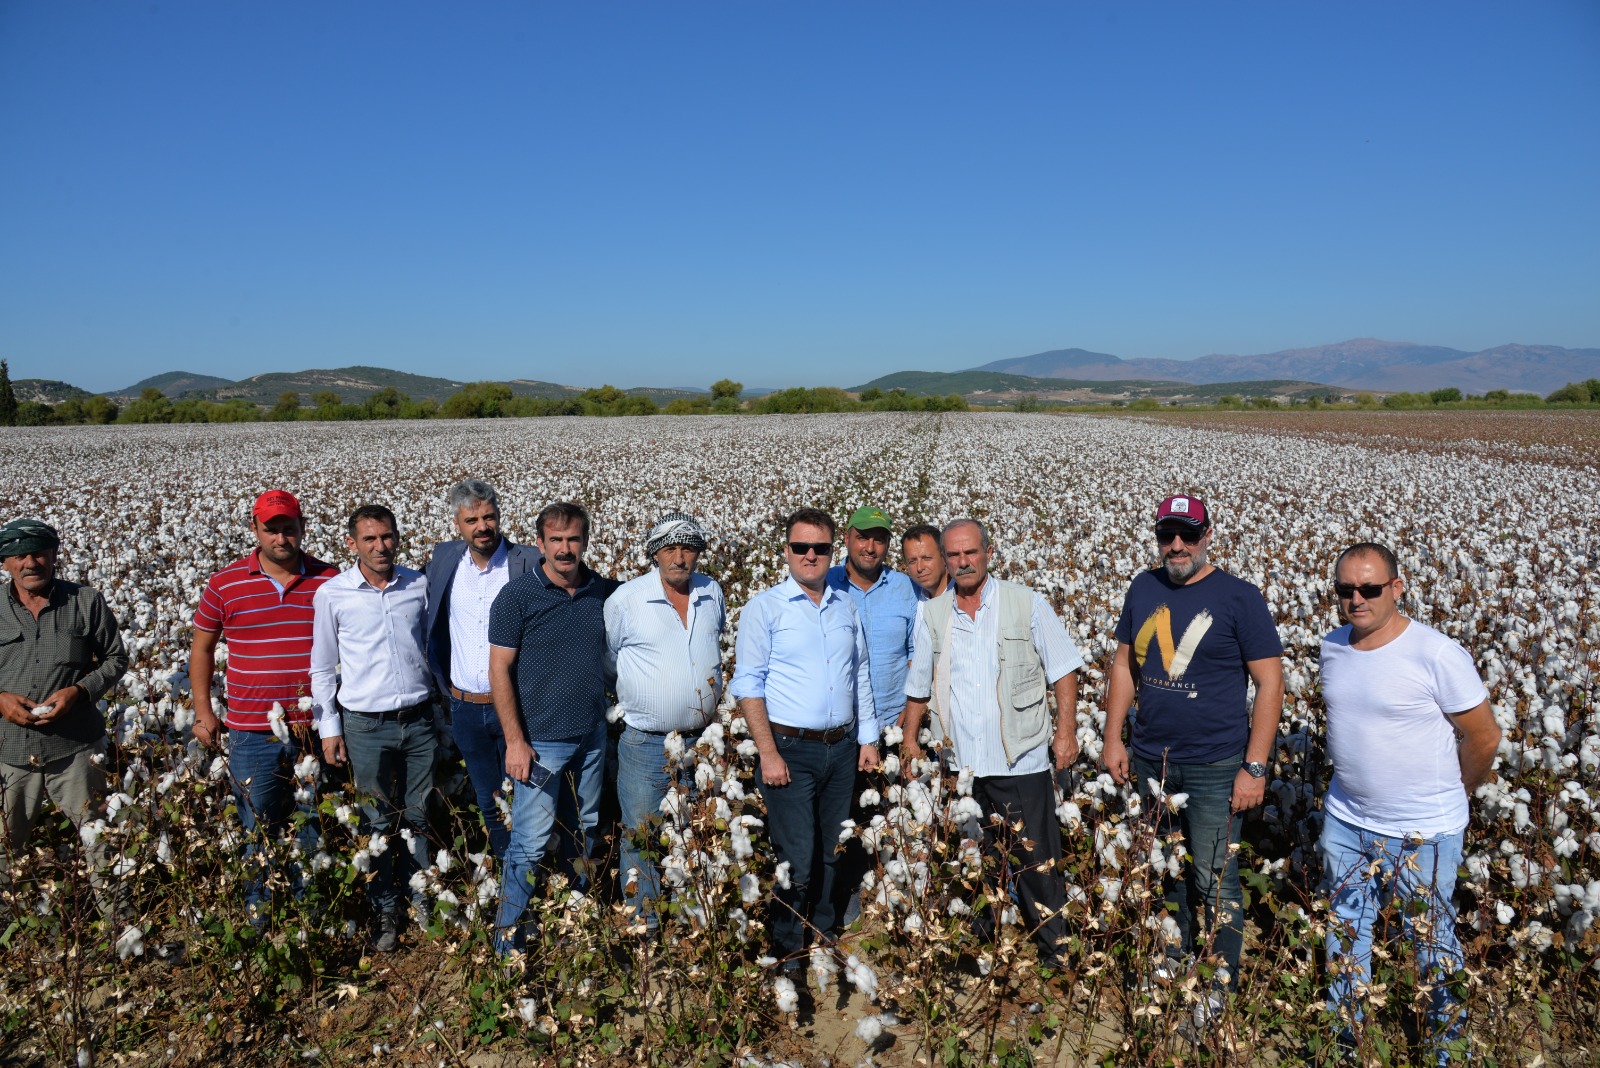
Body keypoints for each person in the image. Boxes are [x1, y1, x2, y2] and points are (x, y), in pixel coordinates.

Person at [1100, 493, 1284, 1013]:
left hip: (1215, 767)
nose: (1176, 545)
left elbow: (1270, 684)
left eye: (1187, 534)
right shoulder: (1143, 586)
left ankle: (1216, 992)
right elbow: (1123, 668)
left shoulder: (1239, 597)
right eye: (1167, 535)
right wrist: (1115, 737)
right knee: (1164, 871)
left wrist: (1254, 767)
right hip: (1151, 763)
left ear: (1208, 537)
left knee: (1216, 881)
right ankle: (1169, 965)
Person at [1318, 541, 1500, 1063]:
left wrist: (1451, 797)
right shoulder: (1333, 646)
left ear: (1397, 588)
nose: (1357, 599)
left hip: (1425, 833)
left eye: (1370, 588)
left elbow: (1484, 737)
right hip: (1346, 820)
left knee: (1433, 945)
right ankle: (1345, 1044)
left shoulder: (1437, 653)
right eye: (1345, 589)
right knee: (1346, 934)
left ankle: (1445, 1051)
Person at [901, 518, 1083, 969]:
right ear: (946, 560)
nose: (963, 562)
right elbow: (918, 685)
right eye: (954, 555)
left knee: (1038, 863)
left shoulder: (1026, 603)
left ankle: (1055, 955)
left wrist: (1065, 733)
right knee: (971, 864)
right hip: (961, 767)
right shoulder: (934, 614)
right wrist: (909, 741)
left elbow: (1063, 670)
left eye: (971, 553)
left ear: (988, 552)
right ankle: (978, 952)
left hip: (1018, 760)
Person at [730, 507, 879, 966]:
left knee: (834, 848)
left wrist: (868, 739)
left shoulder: (844, 605)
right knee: (797, 855)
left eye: (820, 548)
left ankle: (827, 930)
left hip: (842, 746)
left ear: (833, 552)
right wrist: (768, 753)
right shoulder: (765, 608)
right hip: (789, 749)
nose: (810, 555)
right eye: (801, 547)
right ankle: (789, 948)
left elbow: (861, 674)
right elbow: (748, 685)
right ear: (787, 551)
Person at [191, 490, 338, 921]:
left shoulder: (330, 580)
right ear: (256, 530)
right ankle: (261, 912)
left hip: (314, 730)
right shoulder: (225, 583)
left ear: (301, 528)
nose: (280, 537)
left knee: (315, 823)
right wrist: (204, 712)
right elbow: (202, 650)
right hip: (251, 731)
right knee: (257, 826)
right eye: (271, 529)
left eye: (288, 528)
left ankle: (312, 913)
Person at [487, 501, 618, 954]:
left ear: (585, 542)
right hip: (539, 744)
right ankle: (505, 943)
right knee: (529, 841)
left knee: (585, 830)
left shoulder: (603, 591)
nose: (565, 549)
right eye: (556, 540)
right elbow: (498, 671)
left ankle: (575, 926)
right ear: (539, 543)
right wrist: (515, 741)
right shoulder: (516, 597)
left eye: (574, 540)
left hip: (591, 738)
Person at [310, 505, 437, 952]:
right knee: (376, 820)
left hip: (419, 719)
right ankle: (385, 907)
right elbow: (323, 667)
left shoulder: (417, 585)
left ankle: (423, 896)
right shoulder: (333, 594)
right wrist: (329, 727)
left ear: (397, 537)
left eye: (387, 537)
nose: (380, 547)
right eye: (369, 540)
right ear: (352, 544)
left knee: (420, 816)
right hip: (364, 726)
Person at [0, 519, 129, 921]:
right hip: (10, 750)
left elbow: (115, 659)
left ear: (55, 555)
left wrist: (79, 692)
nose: (30, 562)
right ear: (5, 562)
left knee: (98, 839)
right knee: (6, 845)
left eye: (38, 552)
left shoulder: (85, 601)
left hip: (76, 747)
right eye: (19, 555)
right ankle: (8, 927)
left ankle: (119, 925)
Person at [604, 511, 725, 928]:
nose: (680, 557)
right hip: (644, 743)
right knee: (642, 835)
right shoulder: (626, 599)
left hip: (703, 742)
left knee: (696, 829)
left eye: (688, 548)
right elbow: (609, 660)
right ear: (654, 553)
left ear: (699, 553)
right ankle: (646, 925)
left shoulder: (712, 592)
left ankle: (695, 918)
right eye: (670, 548)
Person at [424, 479, 540, 860]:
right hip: (465, 709)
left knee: (526, 800)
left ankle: (529, 882)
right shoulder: (443, 562)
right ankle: (510, 879)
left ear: (500, 516)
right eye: (472, 519)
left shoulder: (528, 563)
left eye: (489, 516)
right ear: (457, 524)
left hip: (517, 707)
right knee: (489, 801)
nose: (482, 526)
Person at [825, 505, 918, 924]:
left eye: (879, 539)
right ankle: (844, 900)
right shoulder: (822, 584)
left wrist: (911, 713)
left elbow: (921, 654)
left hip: (893, 727)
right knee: (841, 818)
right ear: (847, 538)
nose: (870, 546)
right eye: (863, 536)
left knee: (892, 814)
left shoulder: (904, 588)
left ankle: (893, 897)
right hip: (839, 729)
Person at [900, 523, 949, 600]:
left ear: (944, 557)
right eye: (912, 561)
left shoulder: (963, 596)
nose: (919, 568)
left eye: (926, 558)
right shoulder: (914, 599)